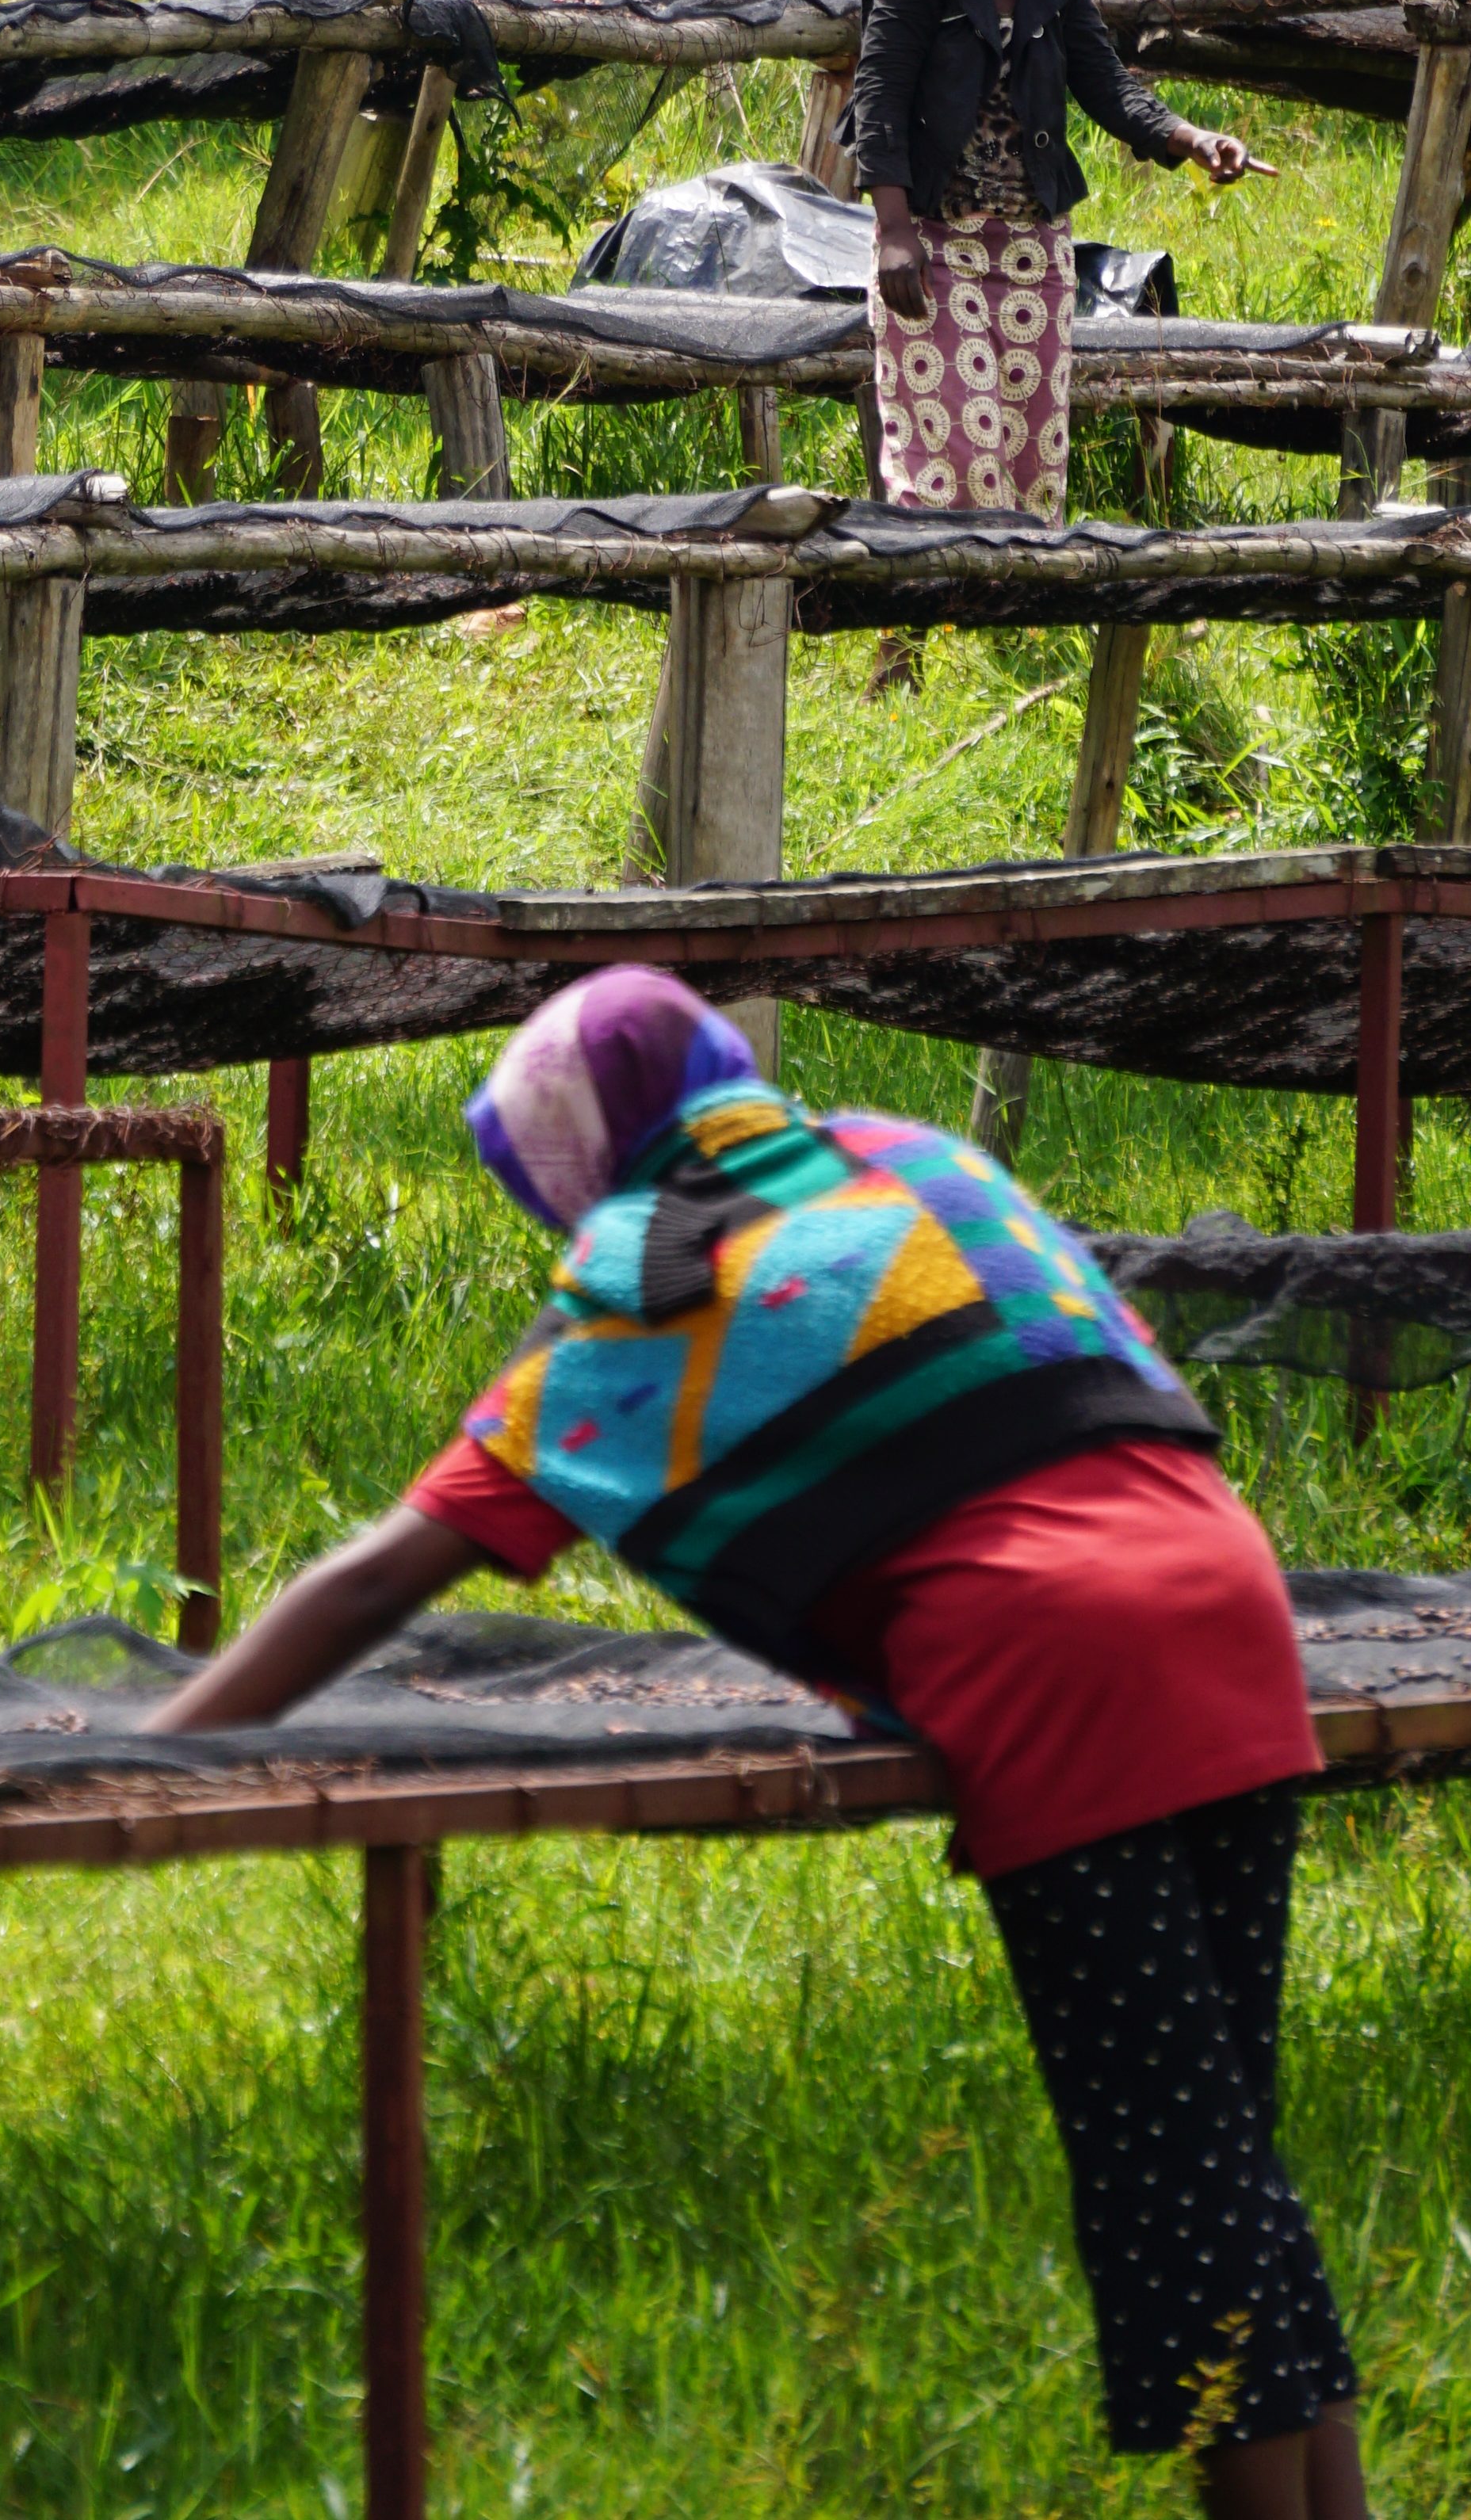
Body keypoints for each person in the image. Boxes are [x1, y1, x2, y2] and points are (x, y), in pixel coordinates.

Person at [147, 969, 1362, 2520]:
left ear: (572, 1179)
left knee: (1165, 2179)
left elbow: (375, 1578)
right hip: (1223, 1598)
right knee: (1222, 2143)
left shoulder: (645, 1293)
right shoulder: (901, 1154)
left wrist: (154, 1749)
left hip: (1058, 1670)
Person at [850, 0, 1255, 523]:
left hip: (1035, 249)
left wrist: (1191, 139)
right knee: (950, 452)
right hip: (936, 244)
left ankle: (1006, 621)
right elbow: (878, 95)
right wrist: (895, 230)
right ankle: (922, 622)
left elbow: (1106, 86)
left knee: (1031, 453)